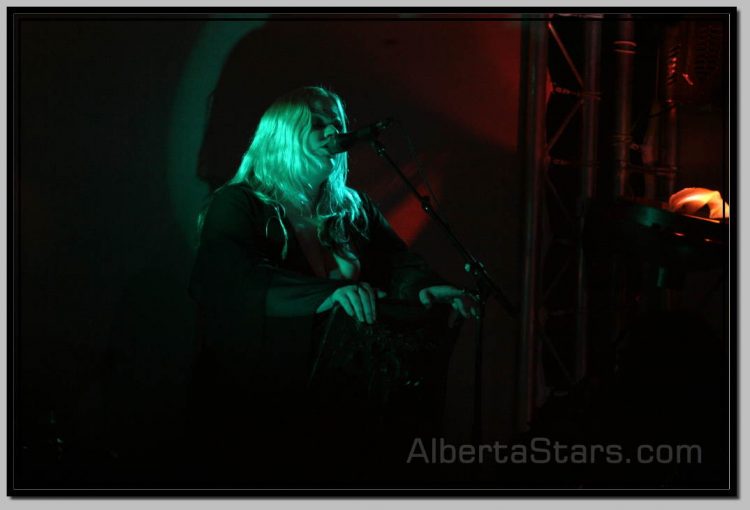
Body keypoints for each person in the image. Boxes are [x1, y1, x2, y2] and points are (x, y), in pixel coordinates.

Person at [187, 86, 475, 484]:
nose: (332, 133)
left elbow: (398, 263)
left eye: (336, 123)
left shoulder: (352, 209)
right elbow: (234, 279)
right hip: (260, 404)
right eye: (317, 124)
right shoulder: (239, 205)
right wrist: (328, 293)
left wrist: (424, 287)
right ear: (283, 135)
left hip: (341, 404)